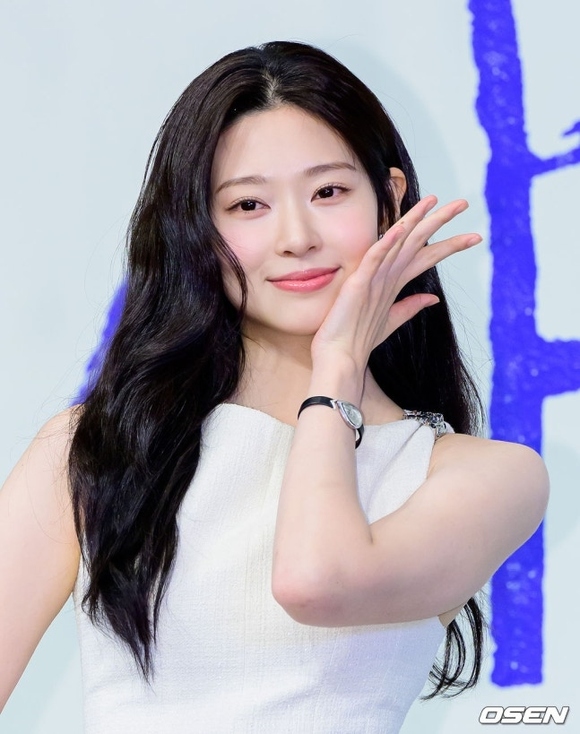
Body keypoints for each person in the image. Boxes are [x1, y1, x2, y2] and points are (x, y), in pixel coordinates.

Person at [0, 41, 548, 733]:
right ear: (197, 229)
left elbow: (314, 581)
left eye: (328, 193)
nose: (296, 237)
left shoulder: (485, 476)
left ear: (390, 201)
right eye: (248, 204)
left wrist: (337, 369)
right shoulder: (97, 448)